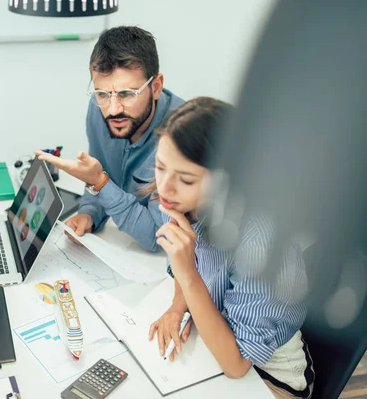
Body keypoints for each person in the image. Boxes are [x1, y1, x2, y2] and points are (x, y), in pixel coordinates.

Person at [146, 97, 314, 398]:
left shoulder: (259, 243)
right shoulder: (177, 200)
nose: (164, 188)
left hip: (270, 374)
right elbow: (191, 264)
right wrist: (176, 307)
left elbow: (237, 365)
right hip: (218, 330)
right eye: (160, 167)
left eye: (185, 179)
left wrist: (187, 272)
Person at [37, 26, 184, 251]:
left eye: (126, 94)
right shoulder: (98, 109)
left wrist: (100, 183)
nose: (113, 110)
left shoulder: (181, 135)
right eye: (102, 94)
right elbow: (101, 172)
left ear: (156, 87)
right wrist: (90, 212)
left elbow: (157, 238)